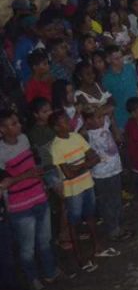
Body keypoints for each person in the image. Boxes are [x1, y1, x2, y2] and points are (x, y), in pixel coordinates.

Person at [0, 109, 58, 290]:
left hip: (37, 195)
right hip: (20, 205)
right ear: (2, 129)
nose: (18, 126)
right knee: (27, 247)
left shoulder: (24, 139)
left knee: (45, 239)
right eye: (13, 124)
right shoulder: (1, 152)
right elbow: (4, 183)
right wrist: (27, 176)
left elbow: (32, 165)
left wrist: (41, 183)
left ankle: (50, 272)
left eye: (17, 122)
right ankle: (32, 278)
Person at [49, 110, 103, 272]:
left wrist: (79, 166)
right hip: (73, 190)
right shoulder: (56, 146)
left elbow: (95, 157)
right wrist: (86, 164)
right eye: (65, 120)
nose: (69, 122)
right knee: (74, 222)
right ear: (57, 127)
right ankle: (79, 255)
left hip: (86, 183)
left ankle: (96, 246)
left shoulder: (76, 137)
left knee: (91, 215)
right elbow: (69, 174)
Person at [82, 107, 130, 243]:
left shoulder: (105, 125)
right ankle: (112, 229)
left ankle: (119, 224)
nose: (102, 120)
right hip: (101, 173)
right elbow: (79, 131)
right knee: (107, 202)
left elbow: (111, 111)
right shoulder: (87, 134)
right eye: (98, 117)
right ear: (88, 120)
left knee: (116, 199)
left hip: (114, 168)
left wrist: (108, 117)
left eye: (102, 117)